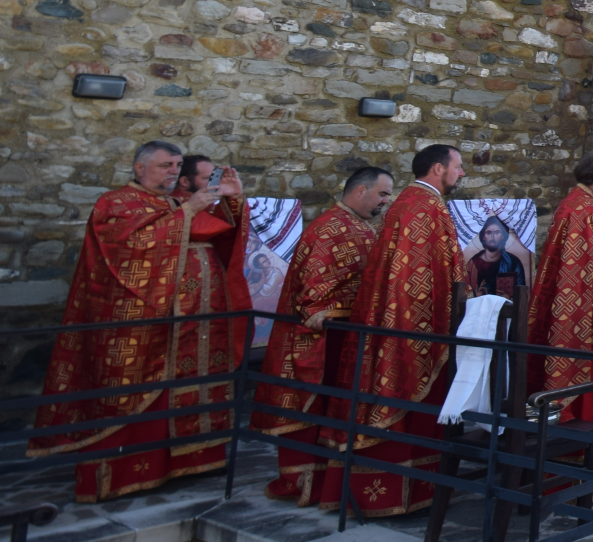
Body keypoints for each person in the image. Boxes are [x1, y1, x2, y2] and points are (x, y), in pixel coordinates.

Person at [31, 141, 249, 503]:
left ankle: (192, 460)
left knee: (193, 384)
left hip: (195, 323)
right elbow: (129, 250)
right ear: (139, 168)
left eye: (177, 165)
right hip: (145, 323)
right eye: (165, 165)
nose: (174, 172)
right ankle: (122, 473)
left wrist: (233, 200)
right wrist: (188, 212)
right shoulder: (115, 203)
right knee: (136, 395)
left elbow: (221, 233)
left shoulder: (177, 202)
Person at [325, 143, 464, 516]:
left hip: (401, 320)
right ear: (438, 169)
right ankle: (398, 493)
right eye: (458, 166)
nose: (462, 173)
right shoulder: (424, 206)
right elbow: (425, 276)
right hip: (414, 326)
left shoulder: (410, 204)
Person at [256, 167, 393, 505]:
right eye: (382, 194)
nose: (385, 202)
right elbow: (314, 290)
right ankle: (305, 483)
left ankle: (332, 482)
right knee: (312, 407)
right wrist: (326, 310)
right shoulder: (328, 227)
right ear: (360, 190)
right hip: (320, 339)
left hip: (347, 337)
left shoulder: (366, 227)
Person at [525, 149, 593, 479]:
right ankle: (578, 473)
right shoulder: (579, 210)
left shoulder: (592, 206)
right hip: (583, 325)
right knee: (588, 398)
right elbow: (576, 276)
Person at [463, 214, 531, 300]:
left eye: (496, 232)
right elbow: (465, 292)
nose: (492, 237)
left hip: (505, 307)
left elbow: (521, 292)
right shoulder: (473, 263)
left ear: (503, 236)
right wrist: (476, 294)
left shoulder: (513, 262)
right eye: (488, 233)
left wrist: (509, 297)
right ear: (483, 236)